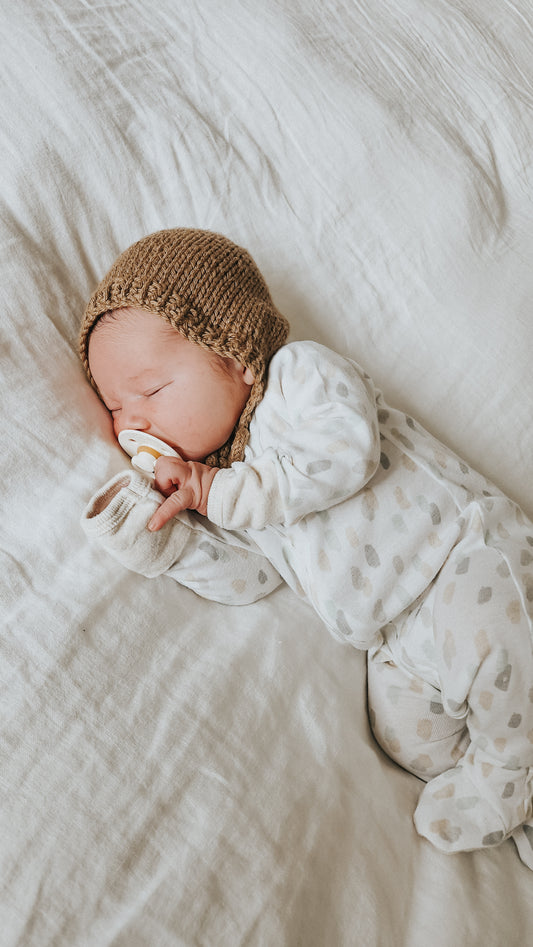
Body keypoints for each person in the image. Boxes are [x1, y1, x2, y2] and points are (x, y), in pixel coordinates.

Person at [80, 227, 533, 867]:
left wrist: (216, 492)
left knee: (495, 651)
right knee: (407, 738)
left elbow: (347, 452)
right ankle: (516, 779)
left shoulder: (298, 378)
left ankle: (505, 778)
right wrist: (165, 541)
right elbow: (255, 579)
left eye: (150, 391)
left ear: (235, 353)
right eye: (115, 407)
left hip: (462, 559)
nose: (132, 423)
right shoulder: (227, 483)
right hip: (395, 638)